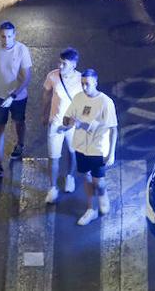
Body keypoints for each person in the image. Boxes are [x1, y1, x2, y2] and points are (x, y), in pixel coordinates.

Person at [59, 68, 118, 226]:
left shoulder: (105, 102)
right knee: (85, 178)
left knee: (98, 182)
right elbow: (66, 118)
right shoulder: (78, 98)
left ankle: (103, 194)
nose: (84, 87)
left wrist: (111, 154)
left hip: (97, 149)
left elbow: (113, 129)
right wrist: (70, 122)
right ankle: (90, 209)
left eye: (88, 84)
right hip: (80, 147)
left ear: (95, 83)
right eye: (82, 84)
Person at [0, 21, 32, 179]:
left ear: (14, 35)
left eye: (9, 36)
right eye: (3, 36)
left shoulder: (21, 50)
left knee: (18, 122)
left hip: (18, 97)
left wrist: (13, 95)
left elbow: (26, 78)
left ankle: (20, 144)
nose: (6, 40)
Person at [41, 48, 82, 204]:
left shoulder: (80, 79)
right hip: (56, 124)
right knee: (54, 157)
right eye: (60, 62)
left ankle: (70, 177)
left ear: (73, 65)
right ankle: (52, 188)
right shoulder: (53, 76)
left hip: (73, 125)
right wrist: (44, 114)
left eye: (64, 63)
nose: (60, 65)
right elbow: (46, 94)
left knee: (72, 153)